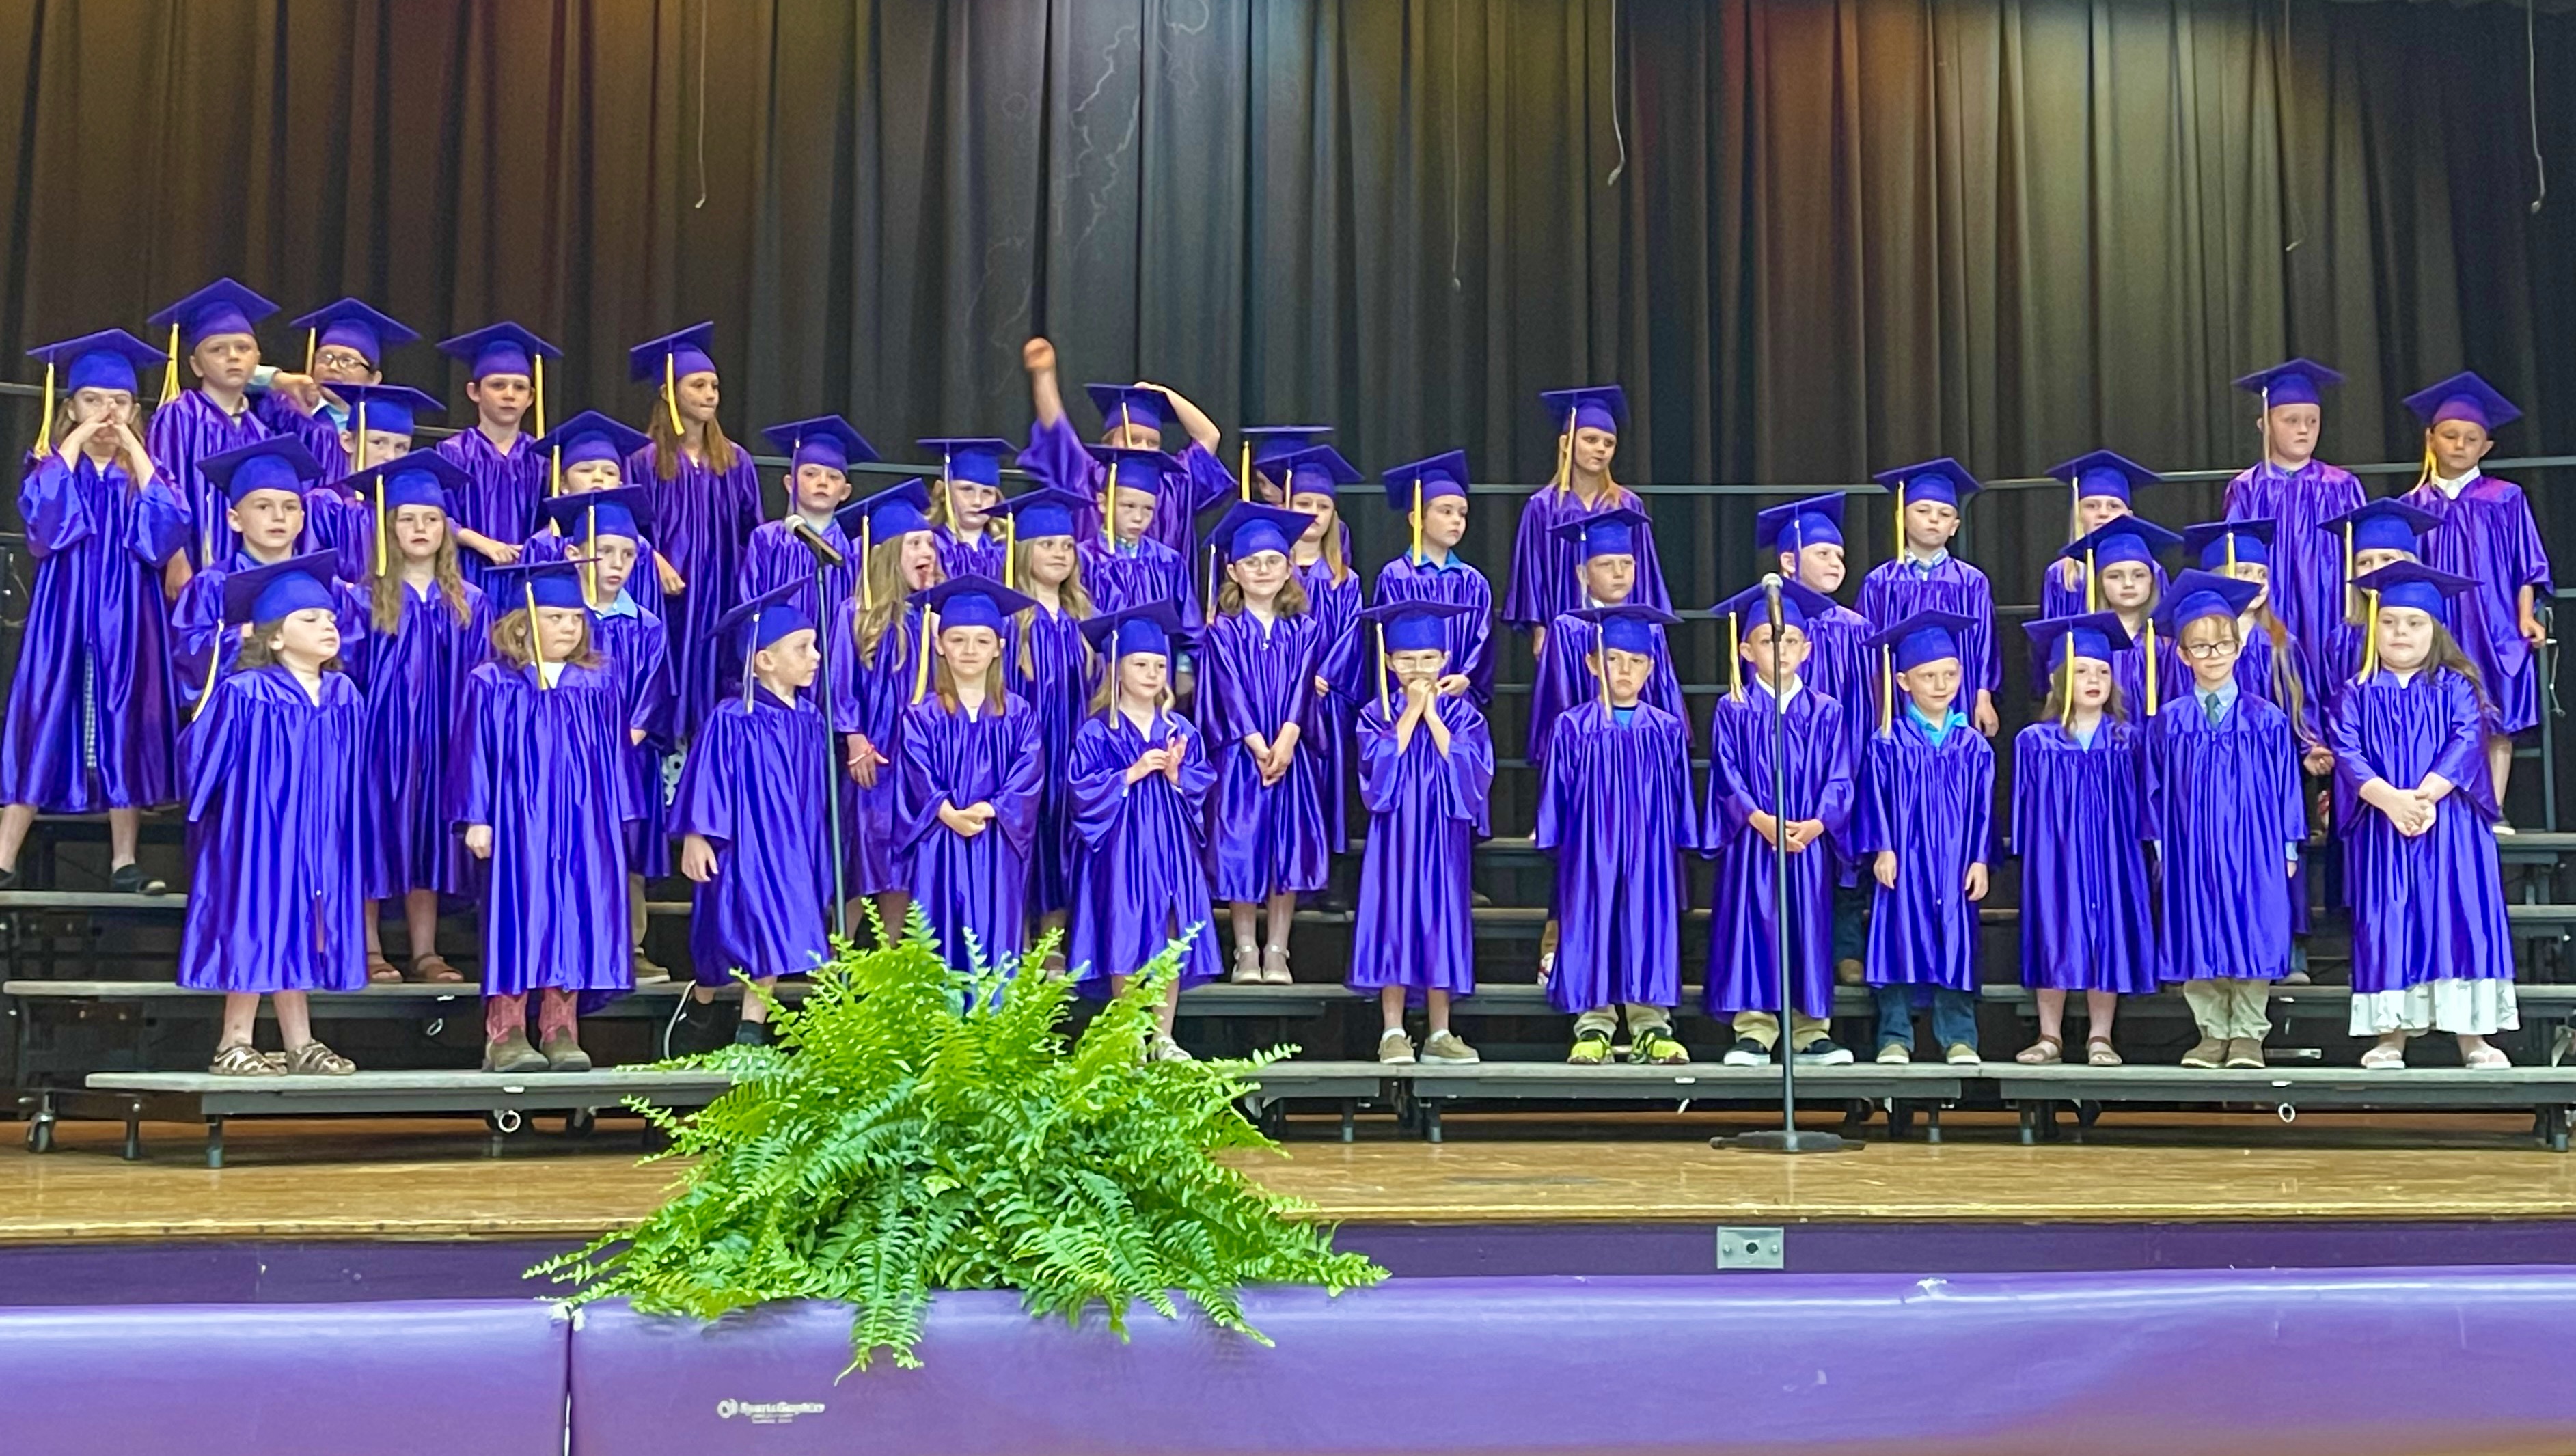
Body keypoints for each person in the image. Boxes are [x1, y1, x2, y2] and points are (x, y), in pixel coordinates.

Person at [0, 330, 188, 892]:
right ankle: (4, 856)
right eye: (92, 400)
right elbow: (45, 524)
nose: (107, 412)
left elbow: (166, 532)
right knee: (42, 714)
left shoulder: (147, 477)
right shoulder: (53, 467)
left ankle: (124, 861)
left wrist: (135, 449)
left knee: (123, 720)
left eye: (120, 402)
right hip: (63, 616)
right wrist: (77, 440)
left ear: (136, 411)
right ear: (70, 407)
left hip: (128, 618)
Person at [180, 553, 366, 1076]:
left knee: (306, 926)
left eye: (330, 618)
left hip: (321, 833)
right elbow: (202, 760)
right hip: (259, 836)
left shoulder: (345, 695)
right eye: (310, 619)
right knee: (257, 924)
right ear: (277, 637)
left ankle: (299, 1042)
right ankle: (234, 1040)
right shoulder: (246, 692)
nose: (327, 625)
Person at [453, 561, 638, 1073]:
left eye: (575, 618)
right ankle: (506, 1031)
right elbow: (473, 751)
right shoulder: (491, 681)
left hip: (583, 822)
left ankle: (560, 1028)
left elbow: (616, 756)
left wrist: (616, 820)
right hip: (517, 823)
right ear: (522, 624)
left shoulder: (596, 683)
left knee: (573, 916)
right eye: (555, 617)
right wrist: (476, 817)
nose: (569, 627)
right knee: (518, 915)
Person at [2333, 562, 2517, 1067]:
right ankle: (2390, 1036)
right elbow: (2347, 752)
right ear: (2374, 628)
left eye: (2414, 623)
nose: (2400, 633)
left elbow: (2467, 740)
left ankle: (2473, 1037)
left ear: (2435, 630)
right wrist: (2392, 801)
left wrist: (2425, 797)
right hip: (2383, 825)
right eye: (2390, 622)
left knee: (2459, 917)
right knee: (2388, 919)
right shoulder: (2356, 691)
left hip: (2451, 823)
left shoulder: (2457, 686)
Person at [337, 450, 484, 985]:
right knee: (375, 834)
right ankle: (370, 947)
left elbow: (479, 679)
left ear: (447, 529)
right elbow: (347, 674)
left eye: (431, 519)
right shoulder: (360, 599)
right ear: (388, 528)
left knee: (429, 837)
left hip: (443, 737)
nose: (420, 528)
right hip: (378, 740)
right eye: (407, 518)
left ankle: (425, 951)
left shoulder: (470, 602)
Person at [2146, 570, 2303, 1070]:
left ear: (2239, 648)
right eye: (2201, 647)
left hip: (2255, 842)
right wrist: (2162, 845)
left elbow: (2287, 785)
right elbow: (2154, 787)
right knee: (2198, 927)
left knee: (2253, 927)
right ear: (2183, 655)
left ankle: (2248, 1034)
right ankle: (2212, 1032)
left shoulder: (2266, 718)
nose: (2213, 655)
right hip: (2191, 843)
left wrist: (2288, 846)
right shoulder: (2169, 721)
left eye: (2223, 645)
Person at [670, 582, 835, 1053]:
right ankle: (702, 1000)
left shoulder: (809, 719)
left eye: (815, 646)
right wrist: (697, 835)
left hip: (794, 844)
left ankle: (751, 1027)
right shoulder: (732, 717)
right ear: (764, 660)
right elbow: (706, 777)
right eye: (802, 648)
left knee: (777, 928)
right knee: (726, 932)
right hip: (743, 842)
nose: (816, 656)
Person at [1701, 581, 1856, 1068]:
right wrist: (1758, 818)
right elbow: (1726, 773)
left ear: (1807, 649)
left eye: (1791, 640)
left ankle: (1810, 1032)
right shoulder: (1734, 708)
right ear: (1746, 651)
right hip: (1755, 842)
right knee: (1754, 926)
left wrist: (1818, 823)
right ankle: (1755, 1029)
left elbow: (1841, 775)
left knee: (1808, 927)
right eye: (1769, 639)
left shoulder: (1827, 711)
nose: (1782, 648)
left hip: (1807, 841)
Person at [1535, 603, 1696, 1066]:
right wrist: (1557, 841)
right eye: (1613, 659)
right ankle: (1593, 1024)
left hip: (1650, 848)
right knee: (1593, 922)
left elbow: (1681, 794)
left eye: (1636, 661)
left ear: (1650, 668)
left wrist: (1679, 841)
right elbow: (1556, 792)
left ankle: (1651, 1026)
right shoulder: (1572, 726)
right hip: (1589, 850)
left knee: (1648, 925)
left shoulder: (1665, 729)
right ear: (1592, 663)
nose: (1625, 670)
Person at [1066, 602, 1218, 1060]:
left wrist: (1176, 774)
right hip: (1121, 846)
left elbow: (1201, 783)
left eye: (1159, 665)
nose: (1152, 674)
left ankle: (1163, 1035)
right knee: (1125, 927)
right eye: (1140, 665)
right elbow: (1081, 791)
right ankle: (1130, 1032)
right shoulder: (1097, 731)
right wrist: (1130, 773)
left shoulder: (1180, 729)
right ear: (1116, 669)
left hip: (1170, 843)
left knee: (1171, 929)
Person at [540, 487, 677, 983]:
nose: (617, 564)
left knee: (626, 846)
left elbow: (653, 696)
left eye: (628, 554)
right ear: (574, 552)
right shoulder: (562, 619)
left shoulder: (647, 624)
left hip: (627, 758)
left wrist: (617, 746)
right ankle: (567, 941)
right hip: (563, 757)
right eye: (605, 551)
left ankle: (629, 944)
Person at [1347, 600, 1492, 1066]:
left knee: (1440, 922)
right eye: (1407, 659)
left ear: (1445, 659)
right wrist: (1410, 713)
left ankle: (1440, 1032)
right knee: (1393, 922)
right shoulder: (1376, 713)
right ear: (1389, 662)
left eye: (1428, 658)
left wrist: (1432, 715)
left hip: (1443, 840)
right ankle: (1392, 1031)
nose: (1418, 668)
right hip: (1394, 840)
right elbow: (1376, 780)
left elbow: (1472, 775)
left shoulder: (1463, 715)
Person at [2397, 372, 2550, 816]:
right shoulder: (2412, 507)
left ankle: (2492, 808)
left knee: (2496, 707)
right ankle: (2437, 806)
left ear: (2486, 447)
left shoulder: (2505, 498)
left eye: (2472, 438)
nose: (2460, 445)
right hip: (2436, 622)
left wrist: (2526, 616)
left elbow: (2528, 565)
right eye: (2450, 435)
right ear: (2431, 439)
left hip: (2493, 620)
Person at [2012, 614, 2156, 1067]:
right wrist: (2033, 858)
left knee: (2107, 933)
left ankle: (2100, 1036)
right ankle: (2049, 1035)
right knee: (2054, 931)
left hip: (2115, 853)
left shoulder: (2128, 739)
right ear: (2059, 679)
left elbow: (2145, 802)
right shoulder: (2035, 741)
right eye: (2081, 671)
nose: (2094, 680)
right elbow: (2023, 807)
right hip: (2054, 855)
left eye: (2103, 671)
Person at [1196, 503, 1331, 985]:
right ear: (1233, 571)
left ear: (1289, 567)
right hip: (1241, 755)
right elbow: (1227, 691)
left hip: (1290, 755)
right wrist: (1257, 745)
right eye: (1251, 563)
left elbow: (1302, 688)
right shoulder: (1223, 631)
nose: (1263, 570)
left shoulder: (1305, 628)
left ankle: (1278, 949)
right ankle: (1246, 949)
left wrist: (1288, 738)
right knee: (1242, 847)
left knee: (1285, 849)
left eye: (1273, 561)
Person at [1854, 610, 1992, 1065]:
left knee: (1956, 941)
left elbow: (1983, 809)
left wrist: (1979, 859)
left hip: (1956, 862)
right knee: (1897, 939)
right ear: (1903, 681)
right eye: (1928, 676)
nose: (1941, 684)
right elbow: (1874, 799)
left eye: (1950, 674)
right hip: (1905, 861)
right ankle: (1895, 1037)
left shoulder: (1973, 745)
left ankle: (1960, 1038)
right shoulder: (1887, 741)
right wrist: (1883, 848)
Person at [899, 575, 1045, 971]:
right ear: (940, 645)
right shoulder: (922, 716)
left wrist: (992, 809)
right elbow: (915, 773)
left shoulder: (1018, 714)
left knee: (996, 936)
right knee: (940, 934)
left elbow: (1029, 772)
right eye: (958, 639)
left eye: (982, 640)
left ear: (999, 648)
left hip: (997, 840)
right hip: (939, 842)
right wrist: (946, 812)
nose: (969, 650)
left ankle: (994, 1010)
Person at [1755, 494, 1873, 986]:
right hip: (1785, 761)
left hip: (1841, 759)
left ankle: (1844, 948)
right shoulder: (1770, 625)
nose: (1836, 563)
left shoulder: (1856, 628)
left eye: (1840, 555)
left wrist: (1856, 760)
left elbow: (1865, 703)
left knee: (1842, 852)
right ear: (1789, 561)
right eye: (1823, 553)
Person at [167, 437, 368, 723]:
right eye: (263, 507)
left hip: (312, 723)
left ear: (302, 519)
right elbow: (187, 657)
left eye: (290, 507)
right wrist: (242, 635)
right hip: (241, 724)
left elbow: (352, 657)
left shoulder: (327, 586)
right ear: (235, 519)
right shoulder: (212, 585)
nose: (278, 517)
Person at [624, 323, 762, 741]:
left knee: (715, 671)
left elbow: (751, 531)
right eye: (698, 385)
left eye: (714, 386)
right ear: (669, 392)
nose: (710, 394)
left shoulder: (735, 461)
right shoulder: (644, 461)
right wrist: (653, 559)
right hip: (670, 593)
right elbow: (629, 527)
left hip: (721, 592)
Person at [989, 486, 1099, 963]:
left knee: (1063, 835)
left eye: (1067, 545)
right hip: (1022, 750)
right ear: (1023, 551)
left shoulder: (1085, 619)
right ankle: (1017, 937)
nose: (1059, 553)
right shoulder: (1008, 621)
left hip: (1070, 746)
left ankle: (1053, 939)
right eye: (1047, 544)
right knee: (1022, 832)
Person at [830, 477, 944, 937]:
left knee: (904, 861)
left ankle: (894, 955)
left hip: (917, 757)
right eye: (915, 543)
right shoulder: (855, 613)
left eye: (930, 544)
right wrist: (854, 738)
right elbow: (840, 684)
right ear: (887, 553)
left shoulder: (934, 617)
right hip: (873, 754)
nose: (927, 552)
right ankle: (837, 960)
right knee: (863, 854)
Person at [2224, 359, 2363, 704]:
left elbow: (2360, 553)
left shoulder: (2341, 486)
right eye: (2291, 421)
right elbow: (2235, 558)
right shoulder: (2246, 488)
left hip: (2329, 601)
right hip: (2270, 602)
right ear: (2265, 425)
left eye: (2312, 421)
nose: (2304, 430)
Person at [1017, 338, 1233, 560]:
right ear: (1109, 440)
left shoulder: (1174, 484)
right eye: (1133, 438)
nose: (1143, 447)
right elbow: (1056, 431)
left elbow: (1209, 436)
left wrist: (1165, 394)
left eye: (1153, 442)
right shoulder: (1087, 476)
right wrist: (1044, 375)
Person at [1504, 385, 1670, 654]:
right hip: (1563, 631)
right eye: (1591, 440)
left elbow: (1645, 576)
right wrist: (1540, 630)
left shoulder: (1627, 505)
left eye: (1609, 443)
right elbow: (1533, 574)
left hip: (1620, 636)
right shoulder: (1542, 507)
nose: (1601, 449)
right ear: (1566, 443)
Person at [1526, 506, 1683, 774]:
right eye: (1606, 564)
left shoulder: (1651, 626)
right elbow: (1559, 696)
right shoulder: (1567, 628)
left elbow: (1662, 693)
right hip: (1585, 755)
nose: (1619, 573)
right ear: (1583, 574)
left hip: (1641, 755)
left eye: (1627, 563)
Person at [1855, 458, 1999, 737]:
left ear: (1954, 526)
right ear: (1902, 517)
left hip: (1958, 691)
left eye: (1944, 514)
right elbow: (1868, 649)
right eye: (1923, 510)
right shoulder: (1880, 582)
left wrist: (1984, 696)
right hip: (1895, 694)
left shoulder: (1971, 581)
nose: (1934, 519)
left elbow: (1985, 642)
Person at [144, 279, 279, 567]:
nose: (233, 357)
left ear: (257, 359)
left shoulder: (261, 432)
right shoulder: (179, 415)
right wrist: (174, 557)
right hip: (189, 562)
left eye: (243, 348)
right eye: (217, 349)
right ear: (196, 365)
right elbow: (163, 488)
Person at [1272, 444, 1365, 859]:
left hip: (1327, 697)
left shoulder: (1344, 580)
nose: (1313, 513)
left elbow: (1351, 635)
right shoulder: (1273, 572)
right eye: (1304, 504)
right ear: (1286, 507)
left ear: (1333, 515)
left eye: (1323, 506)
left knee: (1327, 779)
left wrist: (1323, 676)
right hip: (1278, 695)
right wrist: (1296, 679)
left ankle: (1324, 869)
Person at [433, 322, 562, 583]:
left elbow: (556, 521)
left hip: (527, 575)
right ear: (474, 392)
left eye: (519, 387)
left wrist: (533, 547)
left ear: (531, 397)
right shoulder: (452, 453)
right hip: (467, 575)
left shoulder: (543, 459)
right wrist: (482, 543)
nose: (509, 395)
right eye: (498, 385)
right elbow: (435, 516)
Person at [1367, 450, 1494, 704]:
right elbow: (1384, 642)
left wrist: (1467, 677)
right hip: (1406, 699)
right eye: (1446, 512)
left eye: (1462, 513)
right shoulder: (1396, 576)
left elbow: (1483, 638)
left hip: (1456, 699)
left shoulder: (1473, 581)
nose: (1456, 520)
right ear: (1417, 519)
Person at [525, 411, 674, 627]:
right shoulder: (542, 546)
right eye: (586, 470)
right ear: (563, 484)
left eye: (609, 472)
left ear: (621, 484)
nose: (598, 478)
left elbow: (647, 613)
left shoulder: (639, 549)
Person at [254, 299, 415, 482]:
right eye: (326, 357)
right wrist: (276, 378)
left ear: (374, 379)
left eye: (347, 361)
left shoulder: (379, 427)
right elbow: (232, 379)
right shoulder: (285, 410)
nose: (333, 367)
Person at [297, 383, 443, 582]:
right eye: (378, 443)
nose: (390, 456)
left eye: (401, 447)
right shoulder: (325, 504)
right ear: (347, 441)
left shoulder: (403, 509)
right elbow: (313, 573)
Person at [2057, 517, 2186, 720]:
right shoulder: (2085, 644)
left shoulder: (2167, 645)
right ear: (2099, 583)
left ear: (2153, 581)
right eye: (2115, 576)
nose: (2128, 583)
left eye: (2139, 575)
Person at [741, 415, 871, 617]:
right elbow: (750, 606)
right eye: (811, 474)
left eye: (833, 477)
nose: (823, 482)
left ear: (845, 492)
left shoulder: (856, 548)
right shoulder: (767, 539)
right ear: (790, 484)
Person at [2314, 497, 2445, 694]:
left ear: (2410, 562)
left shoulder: (2431, 629)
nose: (2376, 569)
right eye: (2364, 562)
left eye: (2387, 559)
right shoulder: (2343, 640)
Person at [2037, 451, 2167, 622]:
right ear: (2078, 515)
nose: (2103, 513)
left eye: (2114, 506)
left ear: (2129, 515)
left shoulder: (2153, 571)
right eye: (2092, 506)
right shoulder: (2061, 575)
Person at [922, 437, 1013, 581]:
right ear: (945, 493)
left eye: (987, 492)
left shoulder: (1006, 549)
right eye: (967, 490)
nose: (977, 501)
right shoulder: (930, 546)